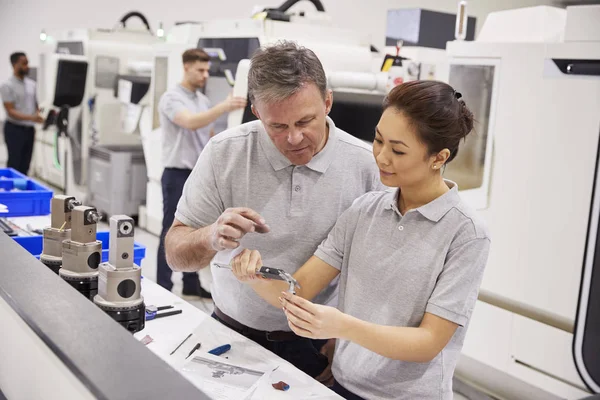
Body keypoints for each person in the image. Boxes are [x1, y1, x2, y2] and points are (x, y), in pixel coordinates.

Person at [231, 80, 491, 399]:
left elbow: (428, 343)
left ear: (439, 158)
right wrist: (255, 277)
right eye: (378, 140)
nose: (381, 156)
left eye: (397, 150)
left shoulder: (466, 233)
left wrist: (342, 327)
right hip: (343, 386)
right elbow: (300, 288)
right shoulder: (365, 210)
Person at [164, 41, 385, 379]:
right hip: (230, 334)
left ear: (328, 101)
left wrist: (346, 343)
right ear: (256, 111)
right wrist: (210, 236)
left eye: (305, 121)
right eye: (278, 127)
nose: (294, 138)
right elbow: (175, 255)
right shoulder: (225, 153)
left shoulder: (367, 166)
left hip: (319, 347)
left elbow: (376, 273)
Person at [157, 48, 247, 298]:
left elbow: (208, 136)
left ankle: (191, 284)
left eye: (207, 70)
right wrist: (225, 107)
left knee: (195, 231)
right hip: (176, 173)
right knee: (172, 231)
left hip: (197, 174)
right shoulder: (171, 98)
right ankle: (163, 286)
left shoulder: (202, 100)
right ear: (186, 67)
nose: (205, 75)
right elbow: (190, 122)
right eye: (201, 70)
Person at [0, 52, 43, 175]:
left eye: (27, 63)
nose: (27, 66)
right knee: (14, 164)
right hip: (14, 129)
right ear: (15, 65)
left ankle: (24, 192)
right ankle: (11, 192)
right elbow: (10, 110)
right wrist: (32, 117)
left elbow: (36, 106)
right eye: (24, 63)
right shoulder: (7, 86)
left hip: (29, 130)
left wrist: (42, 115)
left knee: (25, 164)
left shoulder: (32, 85)